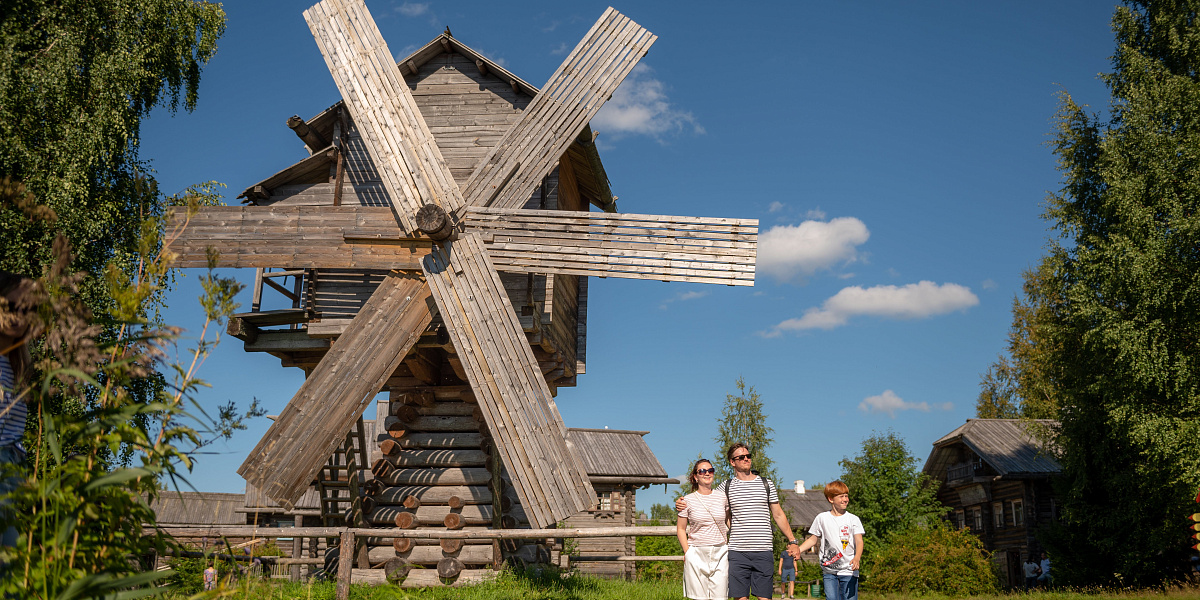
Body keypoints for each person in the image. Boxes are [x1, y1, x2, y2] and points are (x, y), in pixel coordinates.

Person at [679, 443, 801, 600]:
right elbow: (707, 499)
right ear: (732, 462)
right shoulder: (726, 487)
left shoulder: (766, 484)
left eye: (748, 456)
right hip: (737, 552)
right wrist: (682, 502)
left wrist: (793, 540)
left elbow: (778, 514)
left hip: (763, 549)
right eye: (741, 457)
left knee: (764, 597)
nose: (746, 459)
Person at [0, 272, 34, 550]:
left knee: (10, 554)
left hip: (12, 467)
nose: (18, 316)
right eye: (10, 306)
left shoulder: (17, 366)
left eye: (27, 310)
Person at [795, 481, 864, 600]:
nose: (845, 499)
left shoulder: (853, 519)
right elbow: (812, 539)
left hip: (848, 570)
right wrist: (798, 550)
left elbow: (859, 541)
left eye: (846, 496)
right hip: (829, 571)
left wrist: (857, 557)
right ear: (831, 499)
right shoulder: (822, 518)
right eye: (841, 496)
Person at [677, 458, 730, 600]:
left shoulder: (722, 497)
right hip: (697, 552)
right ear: (695, 476)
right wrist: (688, 553)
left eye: (710, 470)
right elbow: (681, 529)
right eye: (702, 471)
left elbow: (729, 521)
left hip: (721, 552)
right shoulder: (686, 500)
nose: (707, 473)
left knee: (720, 596)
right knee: (699, 598)